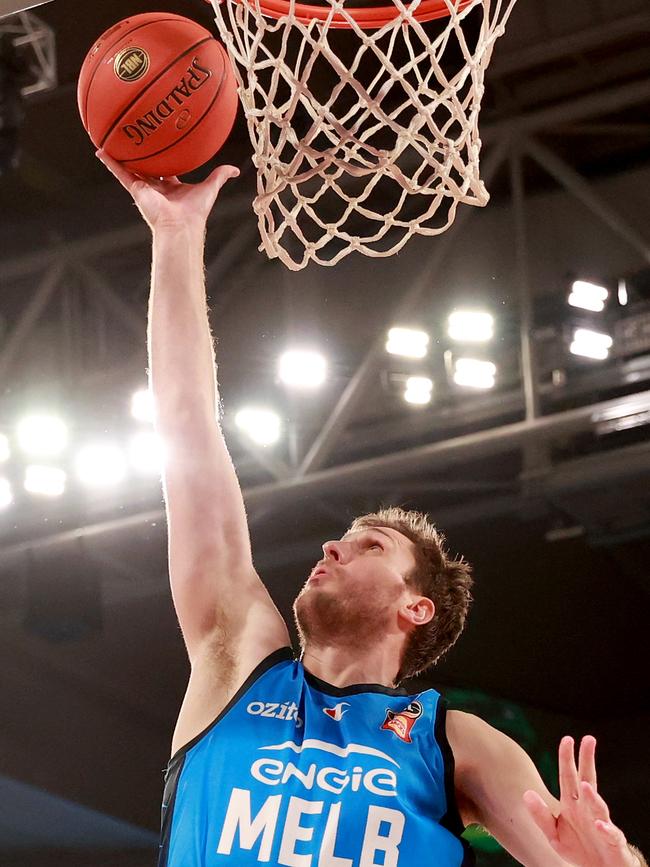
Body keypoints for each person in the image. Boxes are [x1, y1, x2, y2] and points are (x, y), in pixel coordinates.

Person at [97, 150, 646, 867]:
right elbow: (187, 429)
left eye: (372, 546)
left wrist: (614, 863)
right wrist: (174, 235)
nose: (333, 547)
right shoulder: (236, 659)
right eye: (344, 538)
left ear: (416, 607)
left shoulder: (454, 742)